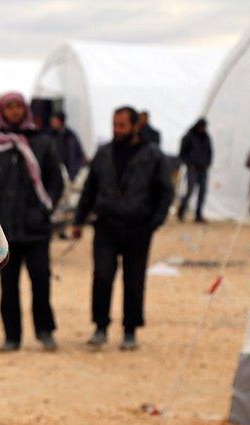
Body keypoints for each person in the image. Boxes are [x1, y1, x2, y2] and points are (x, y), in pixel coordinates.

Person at [72, 106, 174, 351]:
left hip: (138, 228)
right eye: (114, 124)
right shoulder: (104, 153)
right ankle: (100, 326)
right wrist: (79, 219)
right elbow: (90, 188)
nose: (117, 130)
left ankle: (130, 330)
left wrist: (155, 222)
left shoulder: (153, 155)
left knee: (134, 280)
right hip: (106, 225)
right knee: (103, 276)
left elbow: (166, 191)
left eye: (122, 125)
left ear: (136, 125)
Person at [0, 93, 63, 352]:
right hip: (5, 232)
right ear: (2, 111)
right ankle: (12, 336)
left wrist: (44, 211)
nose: (14, 111)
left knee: (41, 281)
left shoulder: (42, 142)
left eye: (18, 107)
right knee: (8, 286)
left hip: (37, 230)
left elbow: (55, 182)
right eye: (9, 107)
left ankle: (45, 331)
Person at [178, 118, 213, 222]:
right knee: (189, 191)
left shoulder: (206, 137)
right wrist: (189, 164)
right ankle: (182, 211)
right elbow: (182, 153)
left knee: (202, 192)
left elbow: (210, 152)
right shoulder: (189, 137)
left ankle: (198, 215)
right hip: (192, 169)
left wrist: (207, 163)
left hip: (203, 169)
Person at [48, 111, 87, 181]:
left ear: (60, 121)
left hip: (70, 173)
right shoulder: (49, 136)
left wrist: (74, 171)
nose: (52, 122)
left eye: (54, 120)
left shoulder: (70, 135)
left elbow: (79, 155)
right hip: (56, 174)